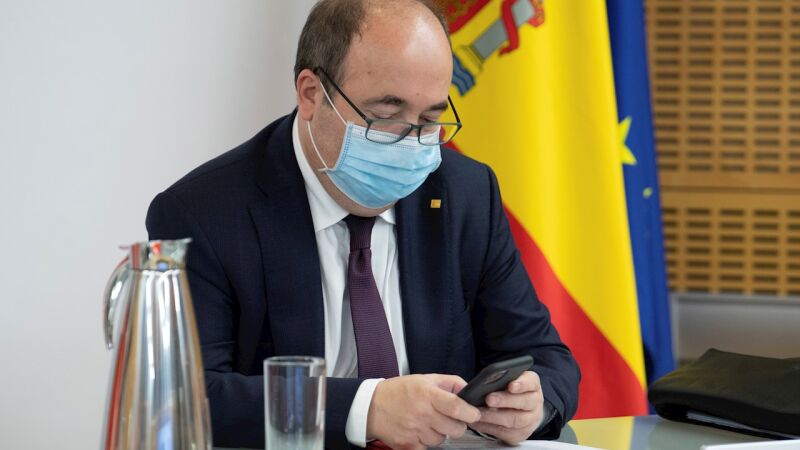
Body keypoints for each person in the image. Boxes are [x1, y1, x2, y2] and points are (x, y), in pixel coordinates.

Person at [146, 0, 580, 448]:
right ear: (311, 94)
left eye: (430, 118)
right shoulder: (203, 213)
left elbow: (547, 358)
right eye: (386, 114)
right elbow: (188, 398)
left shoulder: (466, 194)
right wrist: (366, 408)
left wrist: (532, 403)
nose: (412, 143)